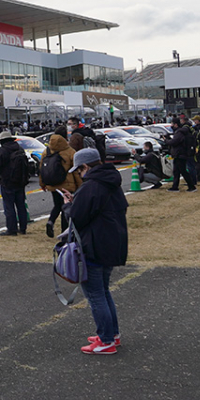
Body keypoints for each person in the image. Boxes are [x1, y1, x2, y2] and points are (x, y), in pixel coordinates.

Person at [66, 148, 128, 355]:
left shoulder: (91, 187)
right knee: (103, 291)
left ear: (85, 167)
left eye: (79, 170)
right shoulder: (112, 183)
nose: (79, 174)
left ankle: (106, 339)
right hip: (113, 243)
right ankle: (112, 334)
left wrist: (69, 206)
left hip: (94, 246)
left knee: (95, 295)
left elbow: (77, 217)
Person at [40, 126, 81, 237]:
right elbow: (76, 171)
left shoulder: (47, 150)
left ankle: (51, 221)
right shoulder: (70, 151)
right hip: (67, 184)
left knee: (57, 205)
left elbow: (42, 168)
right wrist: (80, 185)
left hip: (52, 183)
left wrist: (42, 183)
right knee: (65, 208)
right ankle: (65, 232)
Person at [0, 130, 29, 235]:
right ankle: (23, 228)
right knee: (21, 205)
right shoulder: (20, 149)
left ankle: (12, 229)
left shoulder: (3, 150)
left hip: (7, 181)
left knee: (9, 206)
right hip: (20, 181)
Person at [165, 117, 196, 192]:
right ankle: (175, 186)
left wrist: (166, 140)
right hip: (179, 154)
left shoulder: (179, 132)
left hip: (180, 154)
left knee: (183, 171)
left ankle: (192, 186)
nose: (171, 125)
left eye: (172, 124)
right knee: (176, 171)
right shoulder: (180, 132)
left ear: (175, 124)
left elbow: (174, 142)